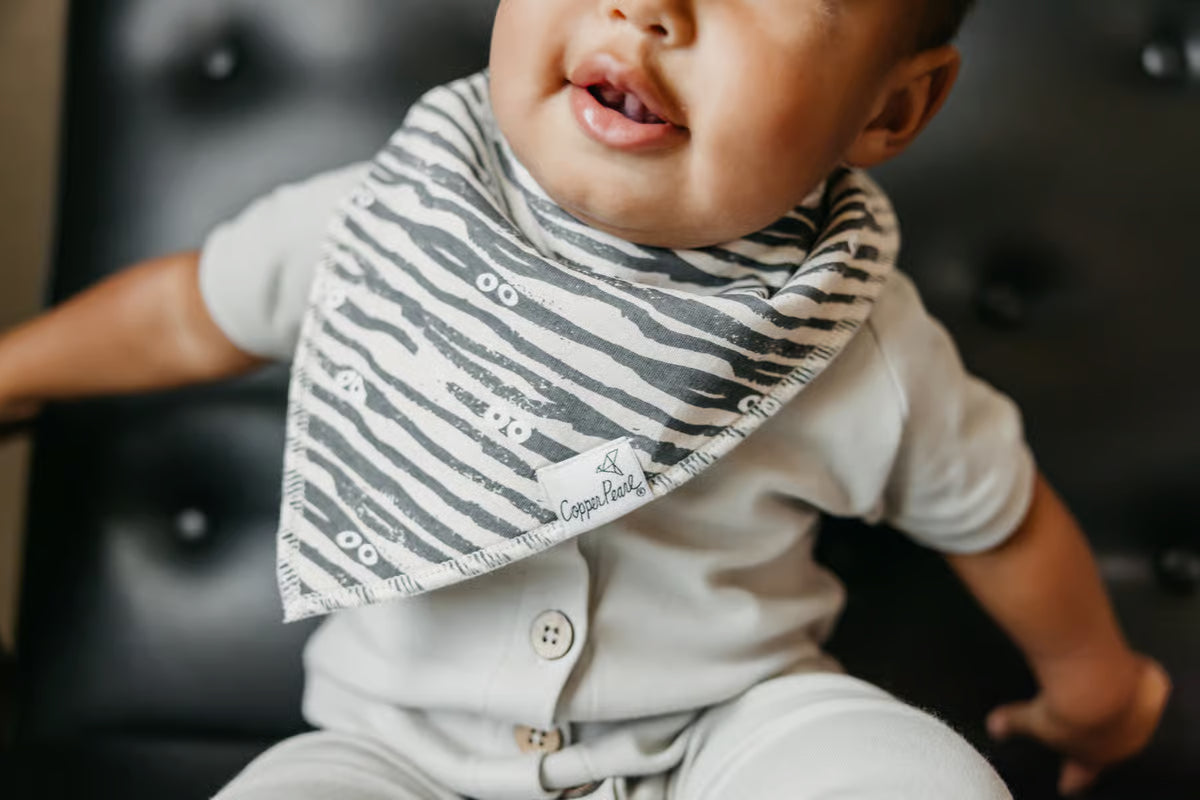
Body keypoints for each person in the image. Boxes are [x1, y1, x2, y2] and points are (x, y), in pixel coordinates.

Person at [0, 1, 1170, 798]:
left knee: (916, 776)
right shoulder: (385, 223)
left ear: (890, 111)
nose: (650, 9)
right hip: (392, 751)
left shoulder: (847, 332)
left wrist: (1098, 690)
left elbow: (1002, 516)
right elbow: (183, 313)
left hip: (728, 732)